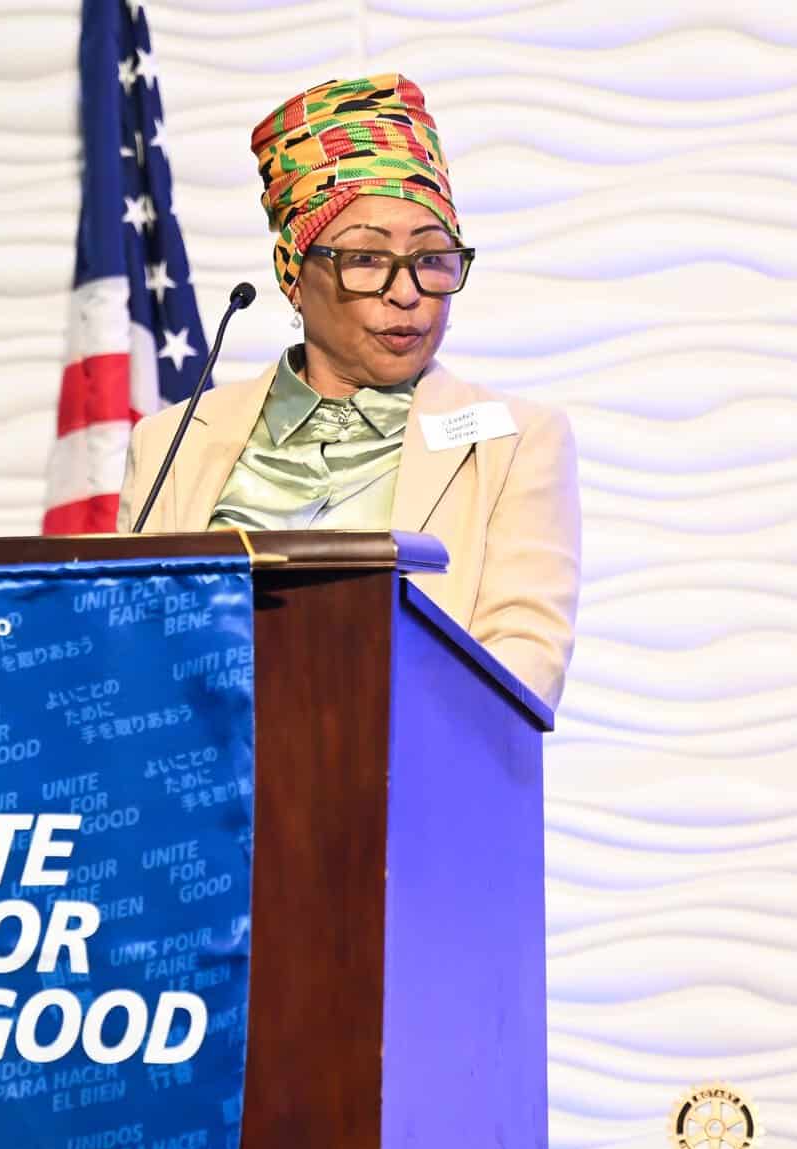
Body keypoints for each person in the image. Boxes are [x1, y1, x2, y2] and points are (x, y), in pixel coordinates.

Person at [116, 74, 581, 710]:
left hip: (404, 766)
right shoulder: (172, 442)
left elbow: (522, 661)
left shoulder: (516, 443)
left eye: (432, 258)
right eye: (366, 259)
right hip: (203, 766)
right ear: (291, 274)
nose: (407, 292)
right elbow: (130, 645)